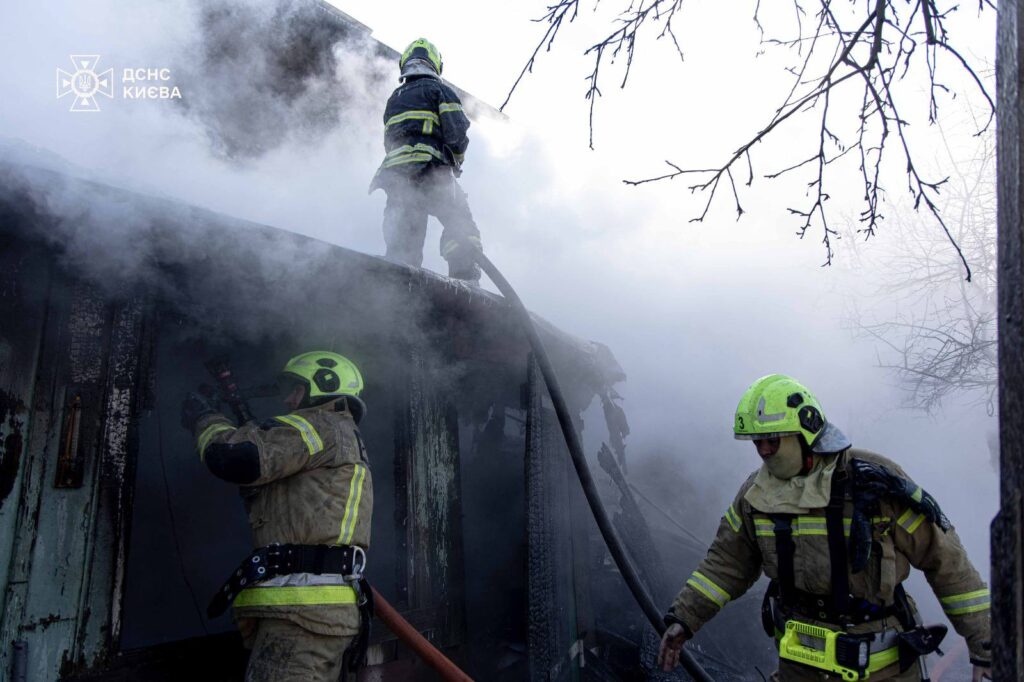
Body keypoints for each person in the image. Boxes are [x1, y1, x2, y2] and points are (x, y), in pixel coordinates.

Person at [657, 374, 991, 681]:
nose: (763, 450)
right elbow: (725, 564)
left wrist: (986, 648)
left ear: (806, 429)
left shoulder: (872, 484)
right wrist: (684, 619)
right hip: (799, 668)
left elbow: (946, 562)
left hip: (882, 671)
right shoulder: (755, 496)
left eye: (772, 439)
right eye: (756, 441)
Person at [181, 351, 373, 682]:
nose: (287, 399)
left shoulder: (320, 423)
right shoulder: (338, 437)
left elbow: (234, 458)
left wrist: (205, 419)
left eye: (295, 389)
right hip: (310, 615)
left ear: (320, 388)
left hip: (300, 617)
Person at [369, 37, 483, 284]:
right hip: (431, 170)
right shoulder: (439, 91)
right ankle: (465, 275)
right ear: (434, 64)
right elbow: (456, 132)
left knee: (405, 227)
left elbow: (390, 140)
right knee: (459, 219)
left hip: (395, 174)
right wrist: (456, 162)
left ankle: (398, 277)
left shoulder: (394, 98)